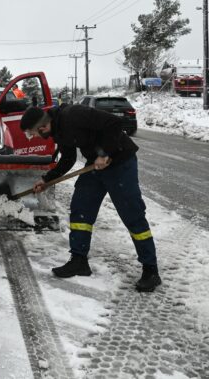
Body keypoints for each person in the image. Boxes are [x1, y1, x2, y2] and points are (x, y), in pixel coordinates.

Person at [20, 104, 161, 292]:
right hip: (95, 167)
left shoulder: (73, 114)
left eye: (32, 133)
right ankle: (79, 260)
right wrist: (47, 179)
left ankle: (151, 270)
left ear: (42, 127)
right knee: (81, 208)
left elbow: (115, 123)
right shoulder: (58, 130)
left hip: (120, 162)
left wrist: (104, 153)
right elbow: (68, 158)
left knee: (132, 214)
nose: (34, 137)